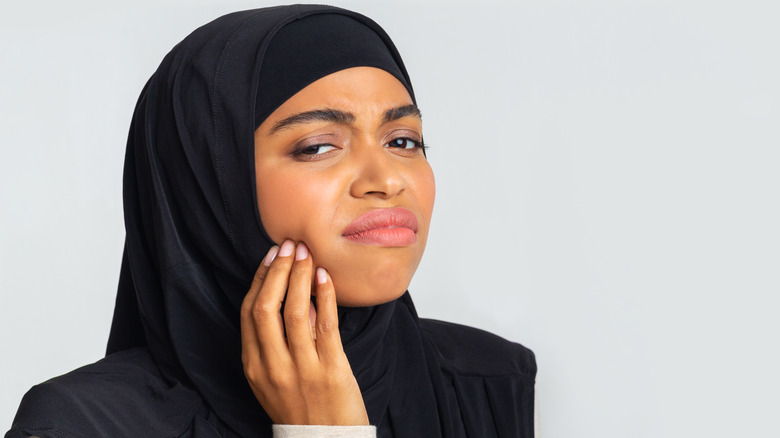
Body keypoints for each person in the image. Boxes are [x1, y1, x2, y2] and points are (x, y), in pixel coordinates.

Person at [6, 5, 536, 437]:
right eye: (317, 146)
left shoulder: (487, 382)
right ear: (212, 188)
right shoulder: (81, 426)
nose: (386, 179)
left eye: (403, 141)